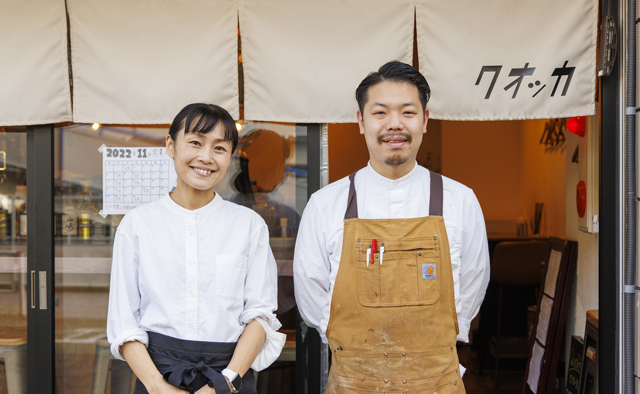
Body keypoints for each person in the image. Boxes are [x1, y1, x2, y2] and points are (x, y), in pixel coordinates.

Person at [293, 61, 490, 393]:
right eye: (380, 113)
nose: (394, 124)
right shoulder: (326, 204)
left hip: (436, 381)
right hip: (354, 381)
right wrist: (357, 343)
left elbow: (474, 282)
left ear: (425, 120)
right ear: (361, 121)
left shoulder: (461, 200)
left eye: (408, 112)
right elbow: (310, 292)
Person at [107, 103, 285, 394]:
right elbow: (124, 322)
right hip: (158, 377)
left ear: (230, 157)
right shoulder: (137, 225)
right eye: (195, 143)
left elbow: (260, 315)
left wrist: (225, 383)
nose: (206, 157)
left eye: (219, 148)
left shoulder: (249, 226)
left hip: (230, 376)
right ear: (170, 145)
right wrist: (157, 386)